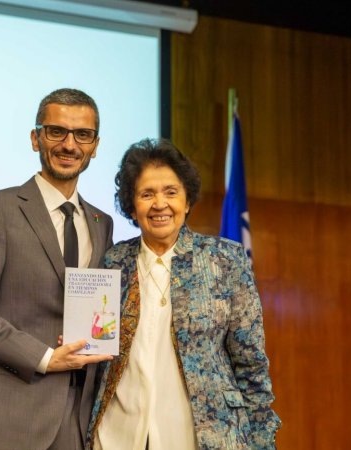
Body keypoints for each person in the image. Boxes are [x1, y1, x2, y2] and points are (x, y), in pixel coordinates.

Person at [0, 88, 114, 450]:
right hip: (5, 420)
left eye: (82, 134)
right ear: (36, 138)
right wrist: (44, 358)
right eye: (57, 131)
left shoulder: (101, 223)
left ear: (95, 146)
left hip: (78, 423)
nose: (69, 144)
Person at [87, 138, 281, 450]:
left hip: (200, 437)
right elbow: (97, 345)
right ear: (132, 207)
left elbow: (251, 365)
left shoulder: (224, 260)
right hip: (118, 435)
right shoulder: (113, 262)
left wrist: (261, 441)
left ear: (187, 201)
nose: (159, 204)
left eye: (171, 192)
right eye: (146, 194)